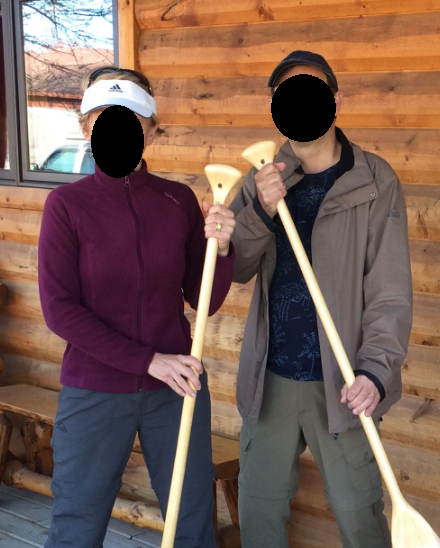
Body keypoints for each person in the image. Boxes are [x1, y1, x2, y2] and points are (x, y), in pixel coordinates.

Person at [38, 66, 236, 548]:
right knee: (77, 527)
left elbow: (203, 300)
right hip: (95, 389)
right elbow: (60, 309)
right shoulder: (66, 206)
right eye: (103, 121)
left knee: (191, 523)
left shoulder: (177, 200)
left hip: (176, 389)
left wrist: (223, 249)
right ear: (86, 129)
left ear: (150, 131)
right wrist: (149, 361)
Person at [229, 51, 413, 548]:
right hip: (271, 378)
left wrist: (375, 372)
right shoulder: (262, 178)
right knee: (259, 516)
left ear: (336, 101)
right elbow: (235, 268)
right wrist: (260, 211)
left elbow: (390, 292)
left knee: (360, 521)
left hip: (345, 383)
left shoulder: (374, 181)